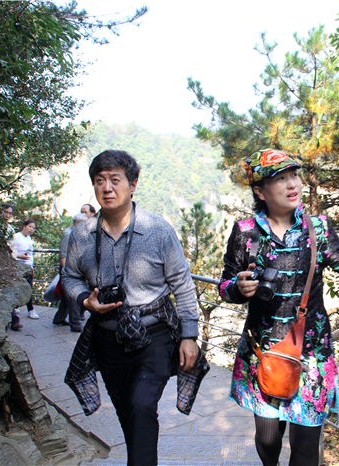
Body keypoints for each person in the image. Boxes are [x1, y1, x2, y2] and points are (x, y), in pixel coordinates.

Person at [219, 149, 339, 466]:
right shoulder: (246, 232)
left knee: (304, 450)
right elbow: (225, 284)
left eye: (294, 176)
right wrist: (238, 288)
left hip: (311, 355)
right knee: (268, 440)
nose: (292, 184)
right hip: (263, 352)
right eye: (280, 179)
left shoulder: (319, 229)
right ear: (260, 191)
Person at [61, 150, 208, 466]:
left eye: (116, 180)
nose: (107, 188)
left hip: (152, 335)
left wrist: (188, 336)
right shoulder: (81, 235)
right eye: (100, 181)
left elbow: (182, 285)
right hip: (106, 337)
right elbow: (69, 275)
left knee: (142, 406)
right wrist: (85, 299)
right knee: (128, 411)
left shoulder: (158, 230)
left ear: (133, 184)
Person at [52, 213, 88, 331]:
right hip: (68, 270)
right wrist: (66, 272)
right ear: (77, 223)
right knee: (73, 296)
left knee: (66, 297)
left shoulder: (75, 232)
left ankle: (59, 318)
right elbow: (63, 255)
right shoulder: (68, 234)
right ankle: (76, 323)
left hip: (72, 269)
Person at [11, 219, 39, 319]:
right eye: (30, 227)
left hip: (28, 266)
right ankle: (26, 309)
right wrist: (20, 256)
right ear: (24, 226)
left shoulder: (29, 238)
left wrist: (32, 267)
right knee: (20, 287)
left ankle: (26, 308)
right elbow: (11, 251)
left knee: (28, 287)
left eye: (33, 228)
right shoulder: (16, 236)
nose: (31, 229)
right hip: (18, 265)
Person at [1, 204, 23, 331]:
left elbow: (13, 248)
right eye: (5, 212)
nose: (7, 215)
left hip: (8, 263)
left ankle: (13, 319)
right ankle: (14, 319)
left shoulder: (9, 229)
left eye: (10, 213)